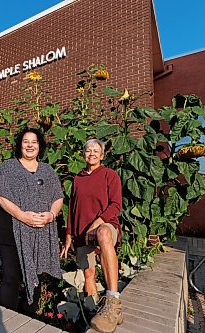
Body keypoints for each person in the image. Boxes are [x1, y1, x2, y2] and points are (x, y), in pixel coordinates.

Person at [0, 127, 64, 312]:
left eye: (34, 142)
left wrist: (51, 215)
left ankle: (29, 319)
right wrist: (22, 216)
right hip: (10, 231)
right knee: (11, 277)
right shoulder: (8, 167)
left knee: (37, 275)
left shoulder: (47, 170)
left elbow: (58, 196)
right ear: (20, 145)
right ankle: (6, 320)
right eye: (25, 141)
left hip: (40, 231)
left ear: (40, 146)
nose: (30, 145)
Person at [60, 138, 123, 333]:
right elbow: (72, 209)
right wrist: (69, 235)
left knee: (104, 233)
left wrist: (98, 222)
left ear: (102, 155)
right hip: (81, 231)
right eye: (88, 150)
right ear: (83, 154)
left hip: (105, 224)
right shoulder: (78, 179)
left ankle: (113, 301)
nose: (92, 153)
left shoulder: (109, 175)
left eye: (96, 151)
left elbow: (116, 205)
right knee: (88, 272)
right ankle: (94, 310)